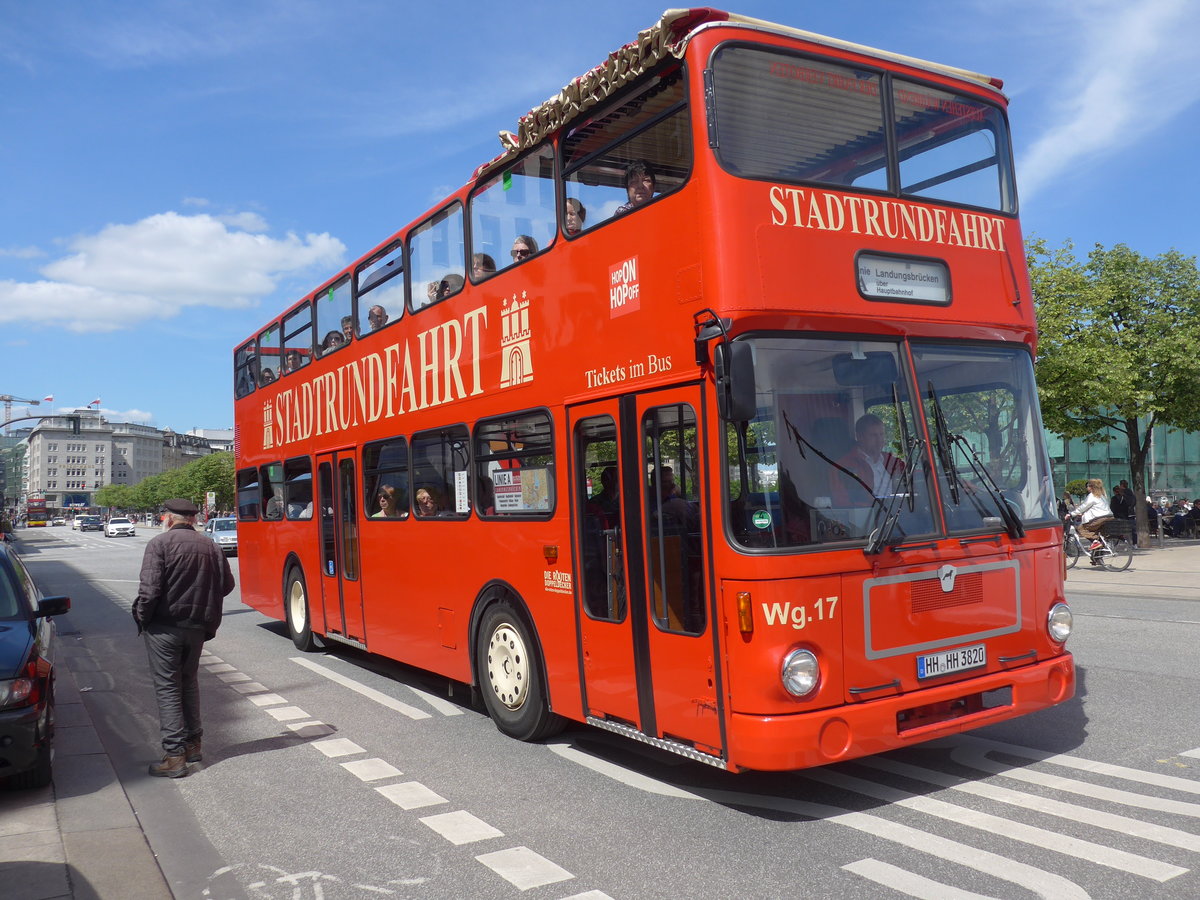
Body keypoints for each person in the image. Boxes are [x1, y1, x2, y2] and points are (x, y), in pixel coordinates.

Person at [133, 498, 235, 778]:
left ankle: (174, 756)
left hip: (165, 626)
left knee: (167, 687)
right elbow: (227, 585)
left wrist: (143, 616)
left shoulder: (159, 544)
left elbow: (150, 590)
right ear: (192, 519)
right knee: (189, 682)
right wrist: (201, 601)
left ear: (167, 518)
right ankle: (193, 745)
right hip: (197, 628)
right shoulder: (211, 546)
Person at [832, 414, 904, 507]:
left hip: (899, 516)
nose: (879, 440)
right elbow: (844, 504)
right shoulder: (843, 467)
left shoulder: (892, 461)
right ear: (860, 437)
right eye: (873, 435)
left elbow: (914, 479)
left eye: (881, 434)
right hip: (869, 518)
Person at [1067, 479, 1114, 555]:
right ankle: (1097, 557)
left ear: (1091, 487)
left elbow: (1083, 507)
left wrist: (1071, 514)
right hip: (1108, 517)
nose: (1087, 487)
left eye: (1088, 486)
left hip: (1099, 518)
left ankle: (1095, 542)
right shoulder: (1102, 496)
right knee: (1098, 535)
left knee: (1081, 528)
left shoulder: (1092, 496)